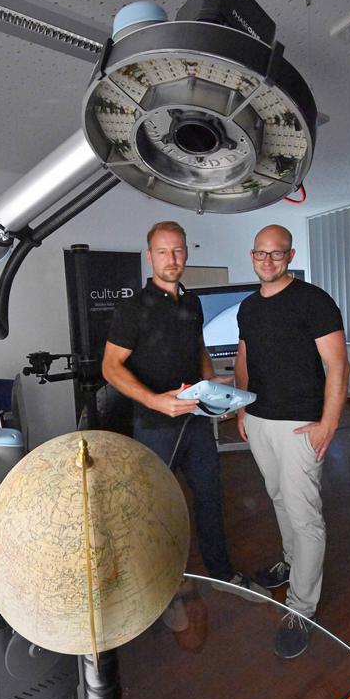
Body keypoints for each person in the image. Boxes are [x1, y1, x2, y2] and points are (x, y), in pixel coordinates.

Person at [102, 220, 269, 603]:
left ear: (186, 253)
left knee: (210, 497)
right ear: (150, 257)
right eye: (163, 251)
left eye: (177, 250)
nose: (171, 258)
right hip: (154, 426)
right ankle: (155, 584)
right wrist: (155, 400)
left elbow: (199, 351)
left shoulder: (192, 302)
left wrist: (212, 392)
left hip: (194, 422)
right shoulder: (132, 308)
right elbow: (111, 368)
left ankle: (222, 574)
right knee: (154, 506)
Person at [235, 224, 350, 659]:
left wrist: (329, 424)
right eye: (260, 254)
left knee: (305, 516)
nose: (267, 261)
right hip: (260, 421)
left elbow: (338, 365)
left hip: (302, 424)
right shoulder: (248, 306)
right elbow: (245, 356)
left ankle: (302, 607)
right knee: (280, 498)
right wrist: (243, 407)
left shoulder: (313, 301)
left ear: (289, 255)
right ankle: (289, 562)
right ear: (252, 256)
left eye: (276, 254)